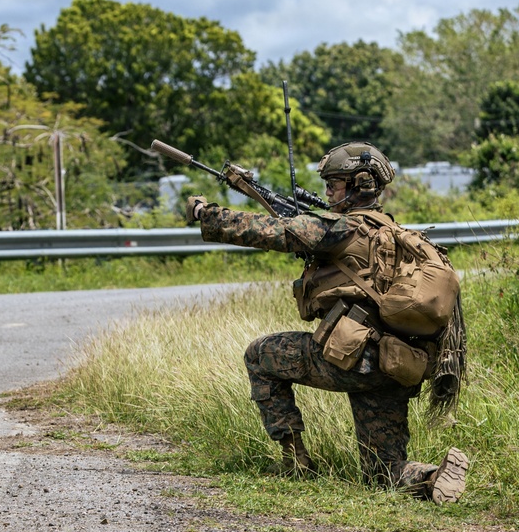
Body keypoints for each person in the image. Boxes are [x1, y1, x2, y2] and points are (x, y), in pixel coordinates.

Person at [186, 142, 469, 504]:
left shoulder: (344, 228)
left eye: (334, 184)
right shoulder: (397, 235)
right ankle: (432, 477)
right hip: (396, 364)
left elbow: (272, 231)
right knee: (383, 472)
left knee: (260, 355)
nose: (327, 192)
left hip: (352, 358)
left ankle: (296, 462)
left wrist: (205, 212)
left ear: (359, 184)